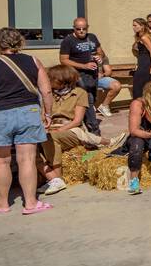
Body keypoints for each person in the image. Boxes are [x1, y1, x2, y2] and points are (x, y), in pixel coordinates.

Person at [0, 28, 54, 214]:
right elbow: (46, 91)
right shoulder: (34, 61)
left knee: (0, 161)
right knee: (27, 160)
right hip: (28, 112)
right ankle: (31, 203)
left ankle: (2, 204)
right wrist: (48, 114)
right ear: (20, 43)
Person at [40, 64, 124, 194]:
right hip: (51, 127)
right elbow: (42, 116)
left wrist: (59, 130)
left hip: (70, 129)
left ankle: (57, 178)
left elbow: (77, 121)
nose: (47, 81)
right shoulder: (47, 95)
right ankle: (52, 179)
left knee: (51, 137)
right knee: (31, 144)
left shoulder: (79, 93)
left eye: (51, 78)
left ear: (62, 79)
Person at [59, 17, 120, 126]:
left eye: (84, 28)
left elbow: (101, 52)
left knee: (91, 99)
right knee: (88, 100)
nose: (81, 31)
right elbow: (63, 60)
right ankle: (92, 127)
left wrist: (99, 57)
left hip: (93, 75)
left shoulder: (92, 37)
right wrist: (84, 66)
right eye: (78, 29)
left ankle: (85, 123)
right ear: (74, 28)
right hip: (78, 76)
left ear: (87, 28)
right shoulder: (68, 41)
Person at [131, 17, 151, 97]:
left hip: (146, 65)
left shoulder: (144, 37)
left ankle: (140, 105)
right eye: (133, 25)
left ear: (142, 26)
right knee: (140, 86)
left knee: (140, 87)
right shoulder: (140, 37)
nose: (133, 27)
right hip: (142, 64)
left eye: (135, 25)